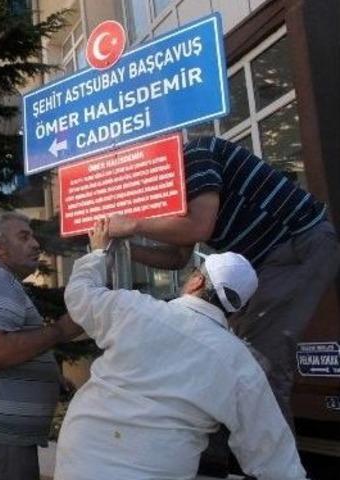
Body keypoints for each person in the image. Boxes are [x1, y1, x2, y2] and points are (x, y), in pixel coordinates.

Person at [108, 136, 340, 429]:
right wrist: (120, 248)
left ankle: (273, 456)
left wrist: (134, 224)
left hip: (297, 245)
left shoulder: (194, 155)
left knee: (258, 361)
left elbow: (199, 226)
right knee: (233, 352)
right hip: (270, 263)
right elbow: (177, 258)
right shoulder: (176, 190)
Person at [54, 218, 307, 480]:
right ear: (236, 308)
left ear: (196, 281)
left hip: (81, 462)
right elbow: (275, 458)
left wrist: (98, 253)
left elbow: (80, 295)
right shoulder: (239, 364)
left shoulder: (136, 310)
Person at [0, 211, 83, 480]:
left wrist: (50, 376)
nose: (35, 244)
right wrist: (60, 330)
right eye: (24, 237)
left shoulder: (0, 281)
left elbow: (3, 345)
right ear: (1, 247)